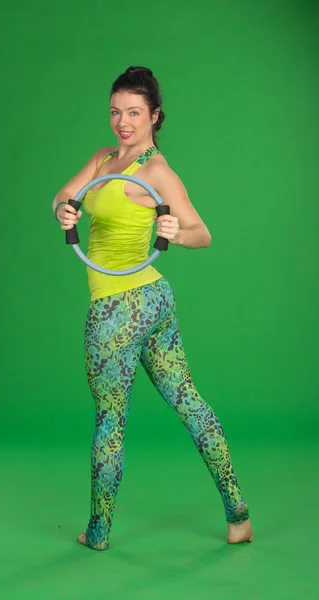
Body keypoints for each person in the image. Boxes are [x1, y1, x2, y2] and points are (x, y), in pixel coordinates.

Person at [52, 66, 253, 551]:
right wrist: (64, 209)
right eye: (116, 112)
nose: (123, 122)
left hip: (118, 311)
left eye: (135, 113)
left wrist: (174, 234)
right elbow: (64, 195)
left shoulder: (156, 171)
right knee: (188, 402)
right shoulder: (102, 159)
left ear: (154, 116)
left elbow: (201, 233)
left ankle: (98, 533)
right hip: (154, 302)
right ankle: (239, 517)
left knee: (110, 421)